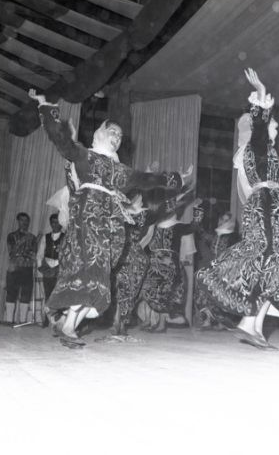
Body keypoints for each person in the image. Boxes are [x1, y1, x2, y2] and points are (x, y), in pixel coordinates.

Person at [28, 90, 191, 348]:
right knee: (90, 274)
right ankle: (68, 325)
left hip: (110, 230)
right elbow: (62, 140)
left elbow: (147, 180)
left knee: (99, 281)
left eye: (119, 136)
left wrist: (176, 179)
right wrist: (46, 108)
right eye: (112, 132)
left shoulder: (120, 170)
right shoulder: (86, 156)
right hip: (88, 222)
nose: (116, 138)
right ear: (100, 133)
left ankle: (66, 322)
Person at [196, 68, 279, 350]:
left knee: (278, 267)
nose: (276, 126)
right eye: (272, 123)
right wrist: (261, 97)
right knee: (270, 259)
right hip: (266, 205)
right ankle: (249, 322)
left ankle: (252, 326)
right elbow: (260, 126)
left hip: (273, 206)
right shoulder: (257, 147)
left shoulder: (268, 152)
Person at [139, 196, 201, 333]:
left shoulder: (177, 226)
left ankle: (161, 324)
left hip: (169, 265)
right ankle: (152, 321)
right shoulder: (154, 226)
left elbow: (194, 226)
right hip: (155, 264)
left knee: (164, 293)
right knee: (151, 291)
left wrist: (197, 208)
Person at [194, 210, 240, 330]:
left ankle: (222, 322)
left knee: (220, 295)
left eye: (226, 220)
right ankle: (207, 320)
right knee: (203, 290)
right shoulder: (214, 235)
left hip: (225, 271)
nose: (223, 222)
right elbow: (200, 232)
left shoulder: (234, 237)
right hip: (211, 269)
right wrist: (197, 213)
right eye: (221, 219)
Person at [4, 212, 37, 325]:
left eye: (26, 220)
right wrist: (25, 252)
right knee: (11, 294)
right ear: (18, 221)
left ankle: (23, 321)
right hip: (14, 268)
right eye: (22, 220)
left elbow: (33, 254)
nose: (24, 223)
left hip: (27, 268)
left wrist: (27, 255)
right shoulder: (11, 236)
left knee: (26, 294)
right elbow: (12, 252)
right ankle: (9, 321)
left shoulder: (33, 237)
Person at [36, 213, 65, 326]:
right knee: (48, 294)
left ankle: (59, 319)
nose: (55, 225)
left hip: (60, 268)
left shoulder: (65, 237)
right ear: (50, 224)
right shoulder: (46, 237)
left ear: (61, 224)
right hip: (47, 268)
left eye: (57, 222)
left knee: (59, 294)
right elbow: (40, 254)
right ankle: (47, 318)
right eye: (53, 222)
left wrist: (62, 267)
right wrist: (41, 267)